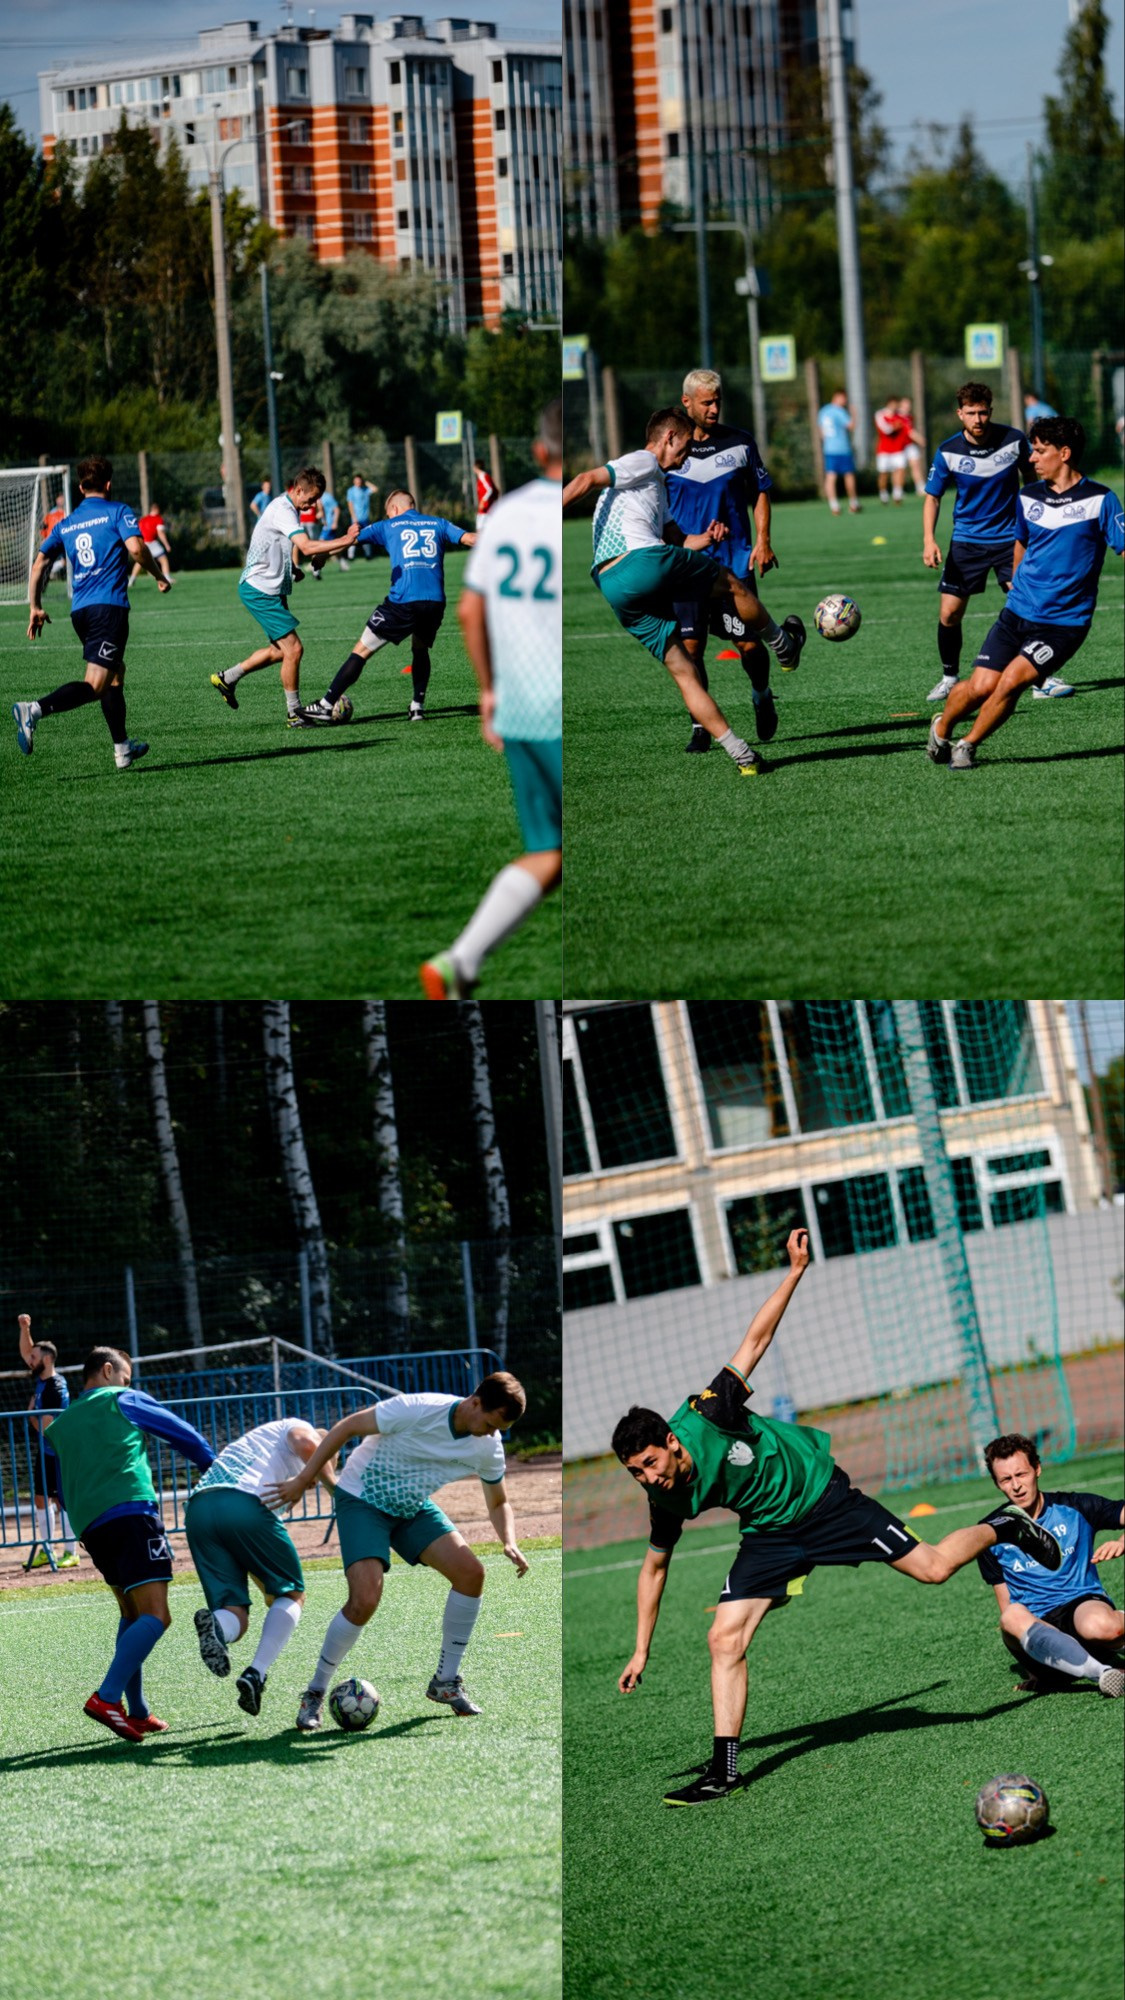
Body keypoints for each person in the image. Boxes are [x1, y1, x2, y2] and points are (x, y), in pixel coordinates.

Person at [612, 1230, 1067, 1807]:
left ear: (673, 1443)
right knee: (723, 1637)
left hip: (827, 1501)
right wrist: (641, 1649)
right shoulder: (663, 1499)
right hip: (770, 1535)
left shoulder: (709, 1413)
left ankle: (1004, 1525)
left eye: (651, 1464)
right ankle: (725, 1770)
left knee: (932, 1569)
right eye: (635, 1473)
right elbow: (654, 1569)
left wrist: (795, 1270)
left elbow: (756, 1339)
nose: (647, 1478)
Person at [265, 1373, 530, 1731]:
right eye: (490, 1424)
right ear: (475, 1402)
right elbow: (346, 1427)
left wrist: (509, 1540)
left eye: (500, 1429)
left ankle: (445, 1683)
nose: (491, 1434)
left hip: (411, 1506)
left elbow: (499, 1502)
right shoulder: (418, 1409)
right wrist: (302, 1479)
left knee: (471, 1573)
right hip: (362, 1498)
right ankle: (314, 1692)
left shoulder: (489, 1445)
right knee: (365, 1599)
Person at [561, 407, 805, 779]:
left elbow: (679, 541)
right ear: (669, 437)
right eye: (686, 445)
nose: (688, 454)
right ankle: (782, 643)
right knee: (731, 582)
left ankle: (743, 756)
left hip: (612, 584)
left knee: (685, 672)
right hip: (643, 560)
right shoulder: (643, 460)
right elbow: (586, 478)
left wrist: (706, 537)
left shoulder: (655, 486)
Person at [420, 399, 562, 998]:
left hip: (521, 705)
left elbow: (469, 610)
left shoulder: (506, 513)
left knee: (550, 852)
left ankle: (460, 960)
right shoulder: (570, 514)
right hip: (560, 705)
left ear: (538, 450)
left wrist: (487, 691)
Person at [928, 415, 1125, 770]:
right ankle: (941, 728)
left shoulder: (1101, 499)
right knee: (980, 686)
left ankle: (967, 745)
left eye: (1039, 451)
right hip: (1016, 614)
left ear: (1064, 453)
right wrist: (1018, 585)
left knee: (1012, 681)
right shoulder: (1027, 496)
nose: (1031, 458)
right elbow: (1020, 544)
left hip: (1063, 624)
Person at [44, 1345, 215, 1742]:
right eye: (125, 1377)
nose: (127, 1385)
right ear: (108, 1371)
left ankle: (136, 1710)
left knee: (132, 1613)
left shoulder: (61, 1424)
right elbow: (183, 1434)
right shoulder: (121, 1399)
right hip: (131, 1513)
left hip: (91, 1527)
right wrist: (217, 1468)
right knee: (157, 1615)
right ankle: (106, 1697)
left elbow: (60, 1486)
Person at [13, 456, 170, 770]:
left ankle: (122, 749)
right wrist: (158, 575)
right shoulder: (118, 511)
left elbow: (39, 564)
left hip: (81, 612)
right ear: (108, 485)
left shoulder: (66, 523)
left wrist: (35, 606)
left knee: (115, 673)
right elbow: (137, 549)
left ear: (81, 488)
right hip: (108, 610)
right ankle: (34, 710)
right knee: (96, 684)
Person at [186, 1415, 339, 1716]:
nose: (314, 1481)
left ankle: (219, 1628)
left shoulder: (261, 1448)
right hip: (243, 1503)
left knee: (235, 1614)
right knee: (293, 1593)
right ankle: (256, 1673)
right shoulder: (299, 1428)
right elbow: (308, 1443)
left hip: (199, 1509)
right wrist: (335, 1489)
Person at [666, 367, 782, 753]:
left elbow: (761, 491)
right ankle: (700, 725)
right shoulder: (670, 449)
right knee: (691, 648)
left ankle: (761, 694)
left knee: (749, 645)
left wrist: (763, 541)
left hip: (733, 562)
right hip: (685, 565)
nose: (714, 409)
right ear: (687, 403)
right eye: (706, 403)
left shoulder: (740, 443)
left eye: (718, 401)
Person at [301, 491, 475, 725]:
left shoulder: (388, 525)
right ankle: (417, 707)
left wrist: (323, 555)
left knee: (361, 650)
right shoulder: (438, 523)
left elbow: (349, 540)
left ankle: (325, 704)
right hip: (435, 602)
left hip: (403, 602)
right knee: (420, 649)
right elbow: (470, 539)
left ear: (394, 509)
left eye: (388, 512)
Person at [975, 1433, 1123, 1698]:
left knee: (1099, 1626)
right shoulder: (991, 1532)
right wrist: (1033, 1672)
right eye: (1006, 1480)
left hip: (1082, 1610)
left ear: (1037, 1469)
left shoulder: (1076, 1507)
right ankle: (1104, 1673)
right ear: (997, 1484)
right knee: (1010, 1616)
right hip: (1041, 1642)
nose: (1016, 1486)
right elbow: (1006, 1605)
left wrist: (1123, 1541)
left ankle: (1103, 1666)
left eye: (1021, 1474)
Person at [921, 382, 1042, 704]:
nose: (978, 419)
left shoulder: (1014, 440)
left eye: (983, 412)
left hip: (1010, 540)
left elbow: (1033, 481)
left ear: (991, 411)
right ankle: (950, 678)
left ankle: (1040, 677)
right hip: (967, 542)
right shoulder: (948, 450)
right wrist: (929, 540)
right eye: (971, 413)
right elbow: (933, 497)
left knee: (1026, 605)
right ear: (959, 413)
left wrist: (1035, 523)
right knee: (949, 613)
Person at [210, 466, 357, 726]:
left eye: (316, 500)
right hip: (260, 590)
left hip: (272, 589)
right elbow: (307, 546)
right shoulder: (284, 510)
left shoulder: (289, 508)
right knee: (294, 649)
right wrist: (345, 540)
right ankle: (294, 713)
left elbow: (275, 545)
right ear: (298, 490)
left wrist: (292, 569)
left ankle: (227, 678)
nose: (313, 505)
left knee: (280, 651)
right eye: (311, 498)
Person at [17, 1312, 78, 1567]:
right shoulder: (42, 1379)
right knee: (41, 1497)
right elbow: (26, 1351)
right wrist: (25, 1328)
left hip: (59, 1451)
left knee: (63, 1499)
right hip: (46, 1451)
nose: (30, 1360)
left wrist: (31, 1414)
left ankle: (71, 1552)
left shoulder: (55, 1387)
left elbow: (46, 1427)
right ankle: (47, 1549)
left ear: (48, 1359)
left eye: (35, 1357)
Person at [817, 389, 861, 516]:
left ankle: (834, 506)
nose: (845, 401)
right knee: (849, 475)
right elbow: (851, 426)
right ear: (837, 397)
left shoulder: (823, 411)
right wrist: (854, 414)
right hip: (843, 448)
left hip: (829, 449)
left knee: (830, 477)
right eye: (844, 398)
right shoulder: (839, 411)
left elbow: (821, 432)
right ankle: (854, 504)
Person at [128, 505, 173, 587]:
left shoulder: (143, 519)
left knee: (140, 562)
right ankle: (167, 578)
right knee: (163, 559)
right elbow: (160, 533)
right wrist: (167, 545)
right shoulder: (158, 519)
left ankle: (131, 580)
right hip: (152, 542)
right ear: (157, 510)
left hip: (143, 542)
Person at [874, 397, 908, 504]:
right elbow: (886, 430)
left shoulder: (900, 416)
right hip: (884, 451)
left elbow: (907, 427)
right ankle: (883, 494)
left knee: (900, 470)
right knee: (884, 474)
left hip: (898, 449)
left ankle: (897, 493)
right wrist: (894, 427)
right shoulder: (880, 415)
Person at [346, 471, 379, 559]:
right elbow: (350, 504)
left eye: (359, 481)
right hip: (356, 518)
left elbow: (375, 489)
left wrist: (366, 482)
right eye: (356, 481)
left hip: (365, 518)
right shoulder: (351, 491)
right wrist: (353, 516)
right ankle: (351, 555)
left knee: (366, 535)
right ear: (354, 481)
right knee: (353, 536)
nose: (358, 482)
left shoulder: (365, 490)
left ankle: (368, 554)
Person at [897, 398, 927, 496]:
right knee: (900, 470)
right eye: (905, 404)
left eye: (909, 404)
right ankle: (898, 490)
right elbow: (910, 432)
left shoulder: (909, 417)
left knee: (916, 466)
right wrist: (920, 439)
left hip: (909, 445)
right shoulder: (897, 417)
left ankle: (920, 487)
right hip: (899, 447)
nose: (908, 406)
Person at [473, 457, 499, 532]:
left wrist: (483, 501)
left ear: (475, 467)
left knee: (480, 530)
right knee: (484, 530)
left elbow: (490, 489)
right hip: (487, 509)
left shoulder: (483, 476)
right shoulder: (483, 476)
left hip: (485, 509)